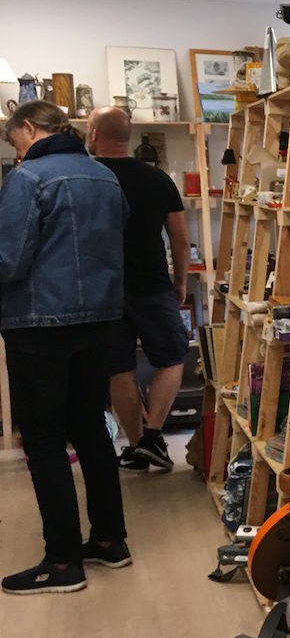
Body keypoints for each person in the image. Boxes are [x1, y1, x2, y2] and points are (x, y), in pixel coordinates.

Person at [0, 101, 130, 594]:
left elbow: (9, 260)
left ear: (28, 128)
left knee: (44, 440)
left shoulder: (27, 178)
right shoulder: (104, 177)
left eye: (14, 140)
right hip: (100, 318)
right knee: (91, 428)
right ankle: (110, 541)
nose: (16, 151)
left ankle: (61, 562)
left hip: (40, 322)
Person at [87, 107, 190, 470]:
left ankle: (136, 446)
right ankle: (151, 438)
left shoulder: (87, 178)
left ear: (93, 134)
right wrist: (181, 281)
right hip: (151, 284)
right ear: (127, 136)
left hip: (101, 289)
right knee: (173, 356)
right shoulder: (157, 179)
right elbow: (180, 240)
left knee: (118, 368)